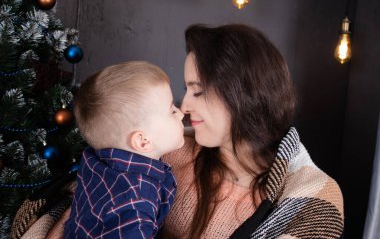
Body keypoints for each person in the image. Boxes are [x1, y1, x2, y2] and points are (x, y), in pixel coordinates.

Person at [159, 24, 344, 238]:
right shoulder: (169, 153)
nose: (185, 107)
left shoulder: (315, 197)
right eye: (186, 89)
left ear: (243, 94)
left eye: (198, 91)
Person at [63, 61, 185, 238]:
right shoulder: (136, 206)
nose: (181, 113)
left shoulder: (95, 156)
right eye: (172, 111)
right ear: (143, 142)